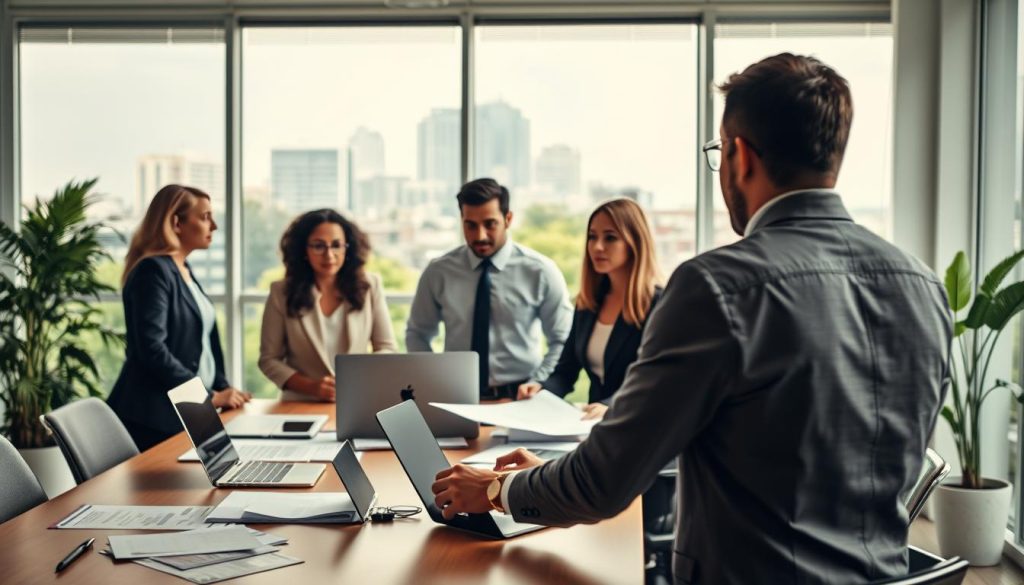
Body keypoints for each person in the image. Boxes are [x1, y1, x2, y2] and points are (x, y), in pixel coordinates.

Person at [431, 53, 951, 584]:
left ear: (739, 156)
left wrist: (495, 490)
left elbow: (606, 480)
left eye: (719, 153)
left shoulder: (718, 287)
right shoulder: (924, 287)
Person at [108, 185, 251, 452]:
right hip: (154, 417)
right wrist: (207, 396)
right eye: (205, 217)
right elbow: (151, 349)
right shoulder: (153, 271)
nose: (214, 225)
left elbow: (204, 342)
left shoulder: (183, 268)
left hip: (189, 411)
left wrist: (224, 388)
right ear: (176, 223)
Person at [406, 178, 573, 399]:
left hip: (520, 397)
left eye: (490, 223)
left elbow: (562, 340)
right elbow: (418, 333)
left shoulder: (540, 271)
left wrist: (539, 382)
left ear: (508, 219)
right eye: (470, 225)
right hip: (455, 396)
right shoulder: (439, 272)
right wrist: (434, 380)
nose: (480, 236)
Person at [517, 198, 663, 421]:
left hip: (642, 429)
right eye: (592, 236)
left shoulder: (659, 304)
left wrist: (611, 406)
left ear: (635, 243)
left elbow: (657, 380)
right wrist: (541, 390)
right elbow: (565, 371)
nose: (597, 246)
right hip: (594, 429)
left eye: (610, 238)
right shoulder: (589, 303)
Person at [259, 209, 396, 401]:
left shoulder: (369, 286)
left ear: (348, 248)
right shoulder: (281, 292)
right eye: (318, 246)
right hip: (301, 404)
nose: (329, 255)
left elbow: (387, 348)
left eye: (337, 245)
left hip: (358, 399)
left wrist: (359, 378)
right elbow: (269, 360)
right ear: (303, 250)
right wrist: (312, 387)